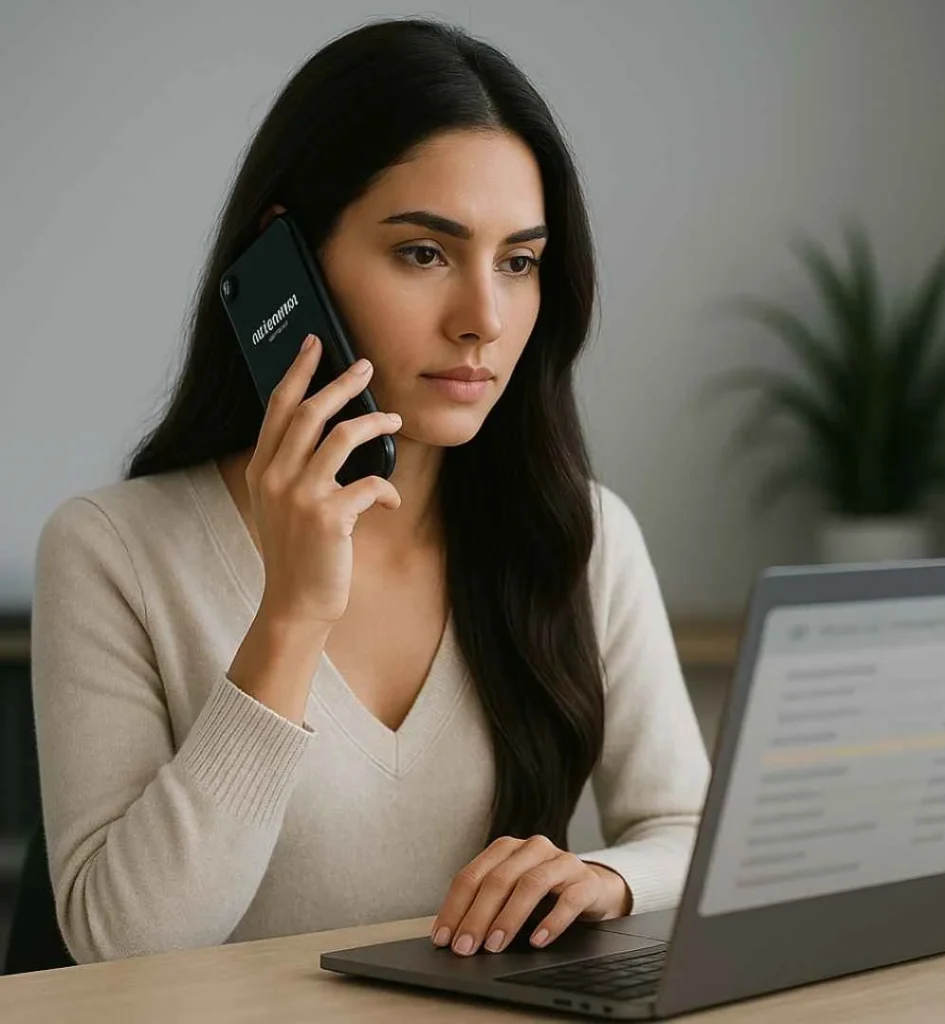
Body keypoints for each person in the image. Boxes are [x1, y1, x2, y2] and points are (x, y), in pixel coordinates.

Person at [30, 16, 710, 966]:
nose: (482, 319)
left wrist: (608, 878)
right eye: (424, 253)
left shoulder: (583, 533)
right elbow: (121, 946)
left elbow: (692, 833)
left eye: (518, 262)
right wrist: (292, 615)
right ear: (287, 263)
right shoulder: (111, 550)